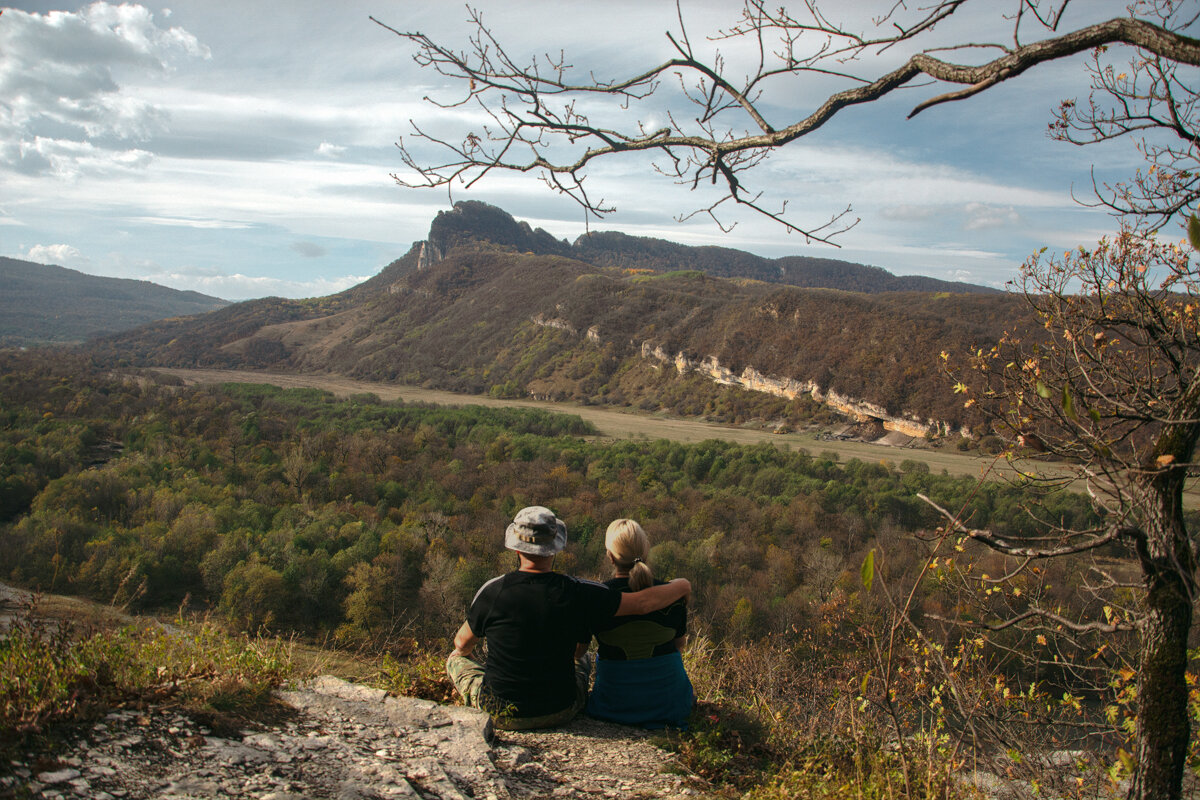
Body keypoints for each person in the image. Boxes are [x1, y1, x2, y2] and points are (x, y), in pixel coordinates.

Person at [446, 506, 691, 730]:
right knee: (581, 659)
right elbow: (641, 604)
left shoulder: (492, 591)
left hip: (499, 712)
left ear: (515, 547)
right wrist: (682, 586)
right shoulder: (579, 592)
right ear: (556, 546)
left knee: (456, 658)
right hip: (560, 710)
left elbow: (462, 644)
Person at [585, 518, 694, 728]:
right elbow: (679, 646)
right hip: (670, 705)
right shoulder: (673, 597)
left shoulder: (598, 598)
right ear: (646, 551)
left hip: (613, 704)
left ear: (610, 556)